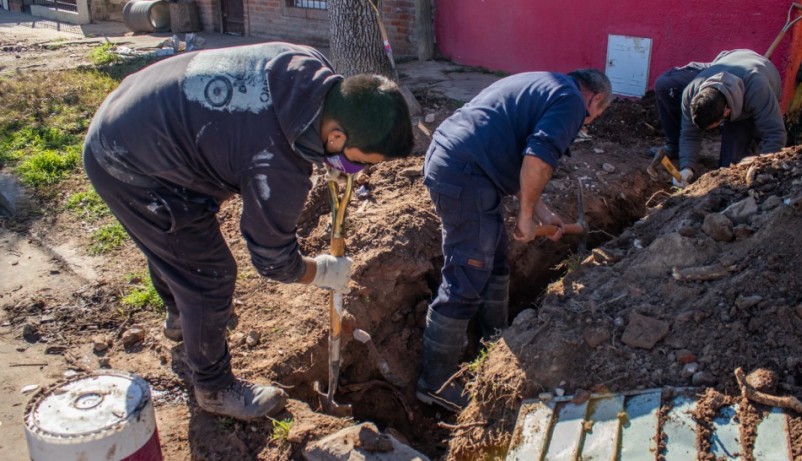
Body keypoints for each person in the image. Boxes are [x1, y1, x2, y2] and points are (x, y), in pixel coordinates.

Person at [83, 42, 414, 421]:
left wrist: (331, 158)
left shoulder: (309, 67)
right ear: (336, 138)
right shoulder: (277, 168)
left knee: (175, 248)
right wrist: (323, 271)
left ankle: (181, 317)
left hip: (139, 108)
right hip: (127, 163)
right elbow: (272, 260)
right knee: (207, 274)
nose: (358, 172)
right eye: (358, 162)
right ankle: (214, 388)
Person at [419, 69, 612, 411]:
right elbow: (538, 158)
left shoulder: (546, 85)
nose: (587, 125)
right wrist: (525, 216)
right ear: (595, 99)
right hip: (465, 173)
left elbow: (524, 150)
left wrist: (541, 210)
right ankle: (435, 383)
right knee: (468, 273)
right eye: (594, 119)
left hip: (465, 166)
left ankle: (493, 343)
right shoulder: (571, 103)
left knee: (495, 262)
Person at [652, 49, 787, 186]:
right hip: (725, 62)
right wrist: (687, 167)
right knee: (666, 85)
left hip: (759, 80)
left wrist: (761, 168)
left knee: (730, 171)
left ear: (726, 113)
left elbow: (775, 135)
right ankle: (675, 147)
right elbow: (689, 133)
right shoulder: (692, 91)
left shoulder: (758, 91)